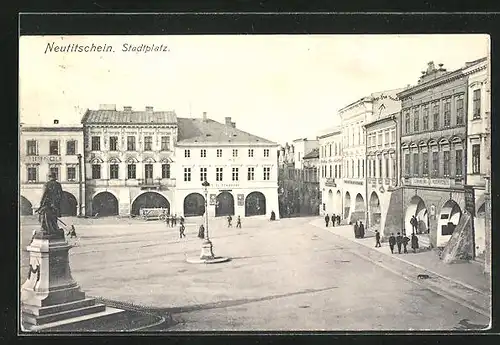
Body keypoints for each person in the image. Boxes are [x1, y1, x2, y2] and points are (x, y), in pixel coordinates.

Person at [36, 172, 64, 237]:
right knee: (54, 217)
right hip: (56, 204)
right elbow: (61, 195)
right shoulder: (58, 184)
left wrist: (41, 203)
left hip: (47, 203)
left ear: (49, 177)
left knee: (45, 217)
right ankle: (54, 229)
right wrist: (56, 202)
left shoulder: (47, 184)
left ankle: (46, 230)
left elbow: (44, 194)